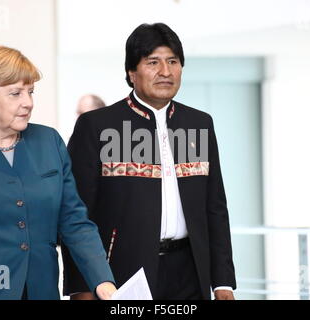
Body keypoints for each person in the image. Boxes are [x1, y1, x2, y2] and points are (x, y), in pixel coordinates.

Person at [61, 23, 236, 300]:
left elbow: (215, 208)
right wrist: (82, 288)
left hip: (190, 272)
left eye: (173, 61)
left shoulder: (199, 124)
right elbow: (76, 213)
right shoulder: (97, 126)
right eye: (153, 62)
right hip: (120, 274)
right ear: (132, 73)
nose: (165, 72)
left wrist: (223, 282)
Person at [0, 45, 116, 300]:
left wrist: (102, 280)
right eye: (15, 93)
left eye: (30, 92)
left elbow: (74, 220)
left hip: (38, 291)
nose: (28, 102)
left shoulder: (49, 141)